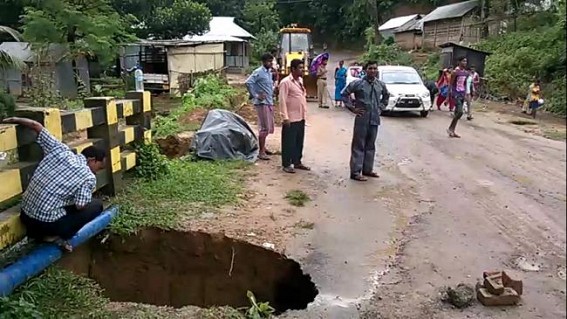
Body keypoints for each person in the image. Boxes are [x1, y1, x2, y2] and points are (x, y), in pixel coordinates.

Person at [2, 117, 106, 252]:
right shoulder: (88, 177)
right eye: (99, 168)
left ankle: (40, 236)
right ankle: (54, 236)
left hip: (26, 216)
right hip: (46, 224)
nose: (97, 172)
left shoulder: (60, 150)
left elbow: (35, 125)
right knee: (96, 205)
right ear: (92, 160)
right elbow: (80, 205)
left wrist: (13, 119)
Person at [341, 60, 389, 182]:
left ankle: (367, 169)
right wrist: (352, 108)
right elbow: (344, 94)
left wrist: (381, 108)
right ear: (364, 70)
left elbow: (386, 96)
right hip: (362, 118)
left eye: (374, 69)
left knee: (370, 145)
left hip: (374, 119)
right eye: (370, 68)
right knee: (359, 145)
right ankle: (356, 172)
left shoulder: (380, 85)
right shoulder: (358, 84)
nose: (373, 71)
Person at [278, 59, 310, 174]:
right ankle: (286, 164)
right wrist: (285, 117)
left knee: (298, 141)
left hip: (300, 117)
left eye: (303, 67)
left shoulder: (300, 80)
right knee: (288, 142)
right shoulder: (285, 82)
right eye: (300, 68)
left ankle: (297, 161)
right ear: (293, 69)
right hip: (290, 118)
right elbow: (282, 101)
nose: (302, 70)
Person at [246, 53, 276, 160]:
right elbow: (248, 82)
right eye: (268, 61)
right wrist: (256, 95)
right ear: (263, 62)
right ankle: (261, 152)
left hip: (269, 102)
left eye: (271, 61)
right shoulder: (258, 72)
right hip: (262, 103)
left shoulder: (269, 72)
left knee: (269, 127)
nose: (270, 63)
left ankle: (263, 147)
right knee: (264, 127)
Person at [447, 56, 469, 138]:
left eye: (466, 61)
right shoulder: (455, 72)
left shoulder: (466, 73)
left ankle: (452, 130)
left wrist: (466, 94)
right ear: (459, 62)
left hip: (462, 94)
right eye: (463, 61)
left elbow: (465, 84)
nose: (465, 63)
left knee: (457, 113)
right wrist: (447, 97)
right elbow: (450, 84)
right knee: (460, 112)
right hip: (455, 94)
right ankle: (450, 128)